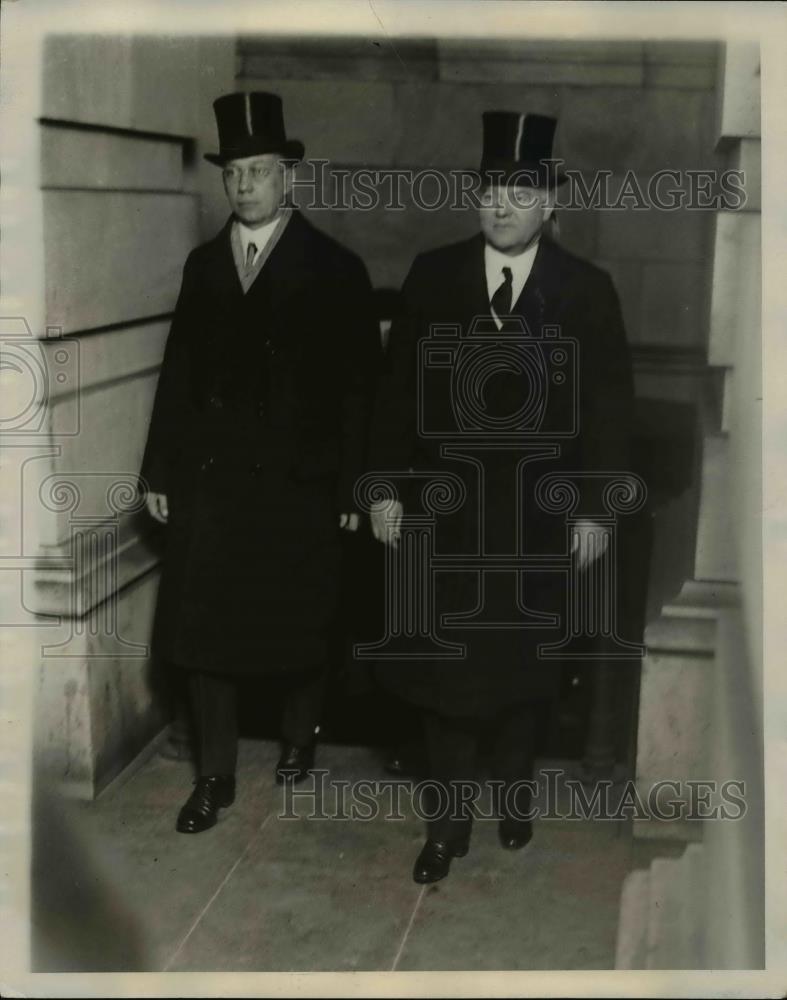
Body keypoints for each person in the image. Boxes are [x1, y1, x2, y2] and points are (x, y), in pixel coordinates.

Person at [369, 111, 636, 883]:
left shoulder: (586, 290)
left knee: (524, 663)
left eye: (521, 191)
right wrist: (385, 490)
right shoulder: (433, 275)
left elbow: (608, 410)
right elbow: (393, 398)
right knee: (443, 668)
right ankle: (448, 822)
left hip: (537, 515)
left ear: (552, 203)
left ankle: (514, 791)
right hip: (445, 512)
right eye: (490, 189)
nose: (502, 205)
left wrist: (593, 507)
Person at [140, 91, 378, 834]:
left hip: (297, 486)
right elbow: (177, 374)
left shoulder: (336, 268)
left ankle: (299, 740)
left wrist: (352, 484)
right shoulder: (203, 266)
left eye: (259, 172)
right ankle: (213, 776)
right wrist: (157, 471)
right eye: (234, 173)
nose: (244, 186)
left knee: (299, 621)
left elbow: (359, 390)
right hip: (212, 485)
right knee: (204, 631)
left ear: (288, 179)